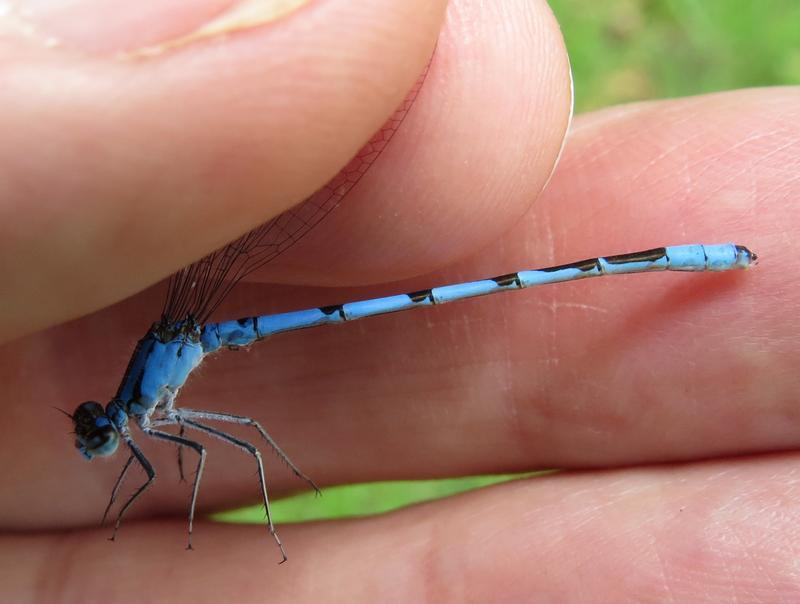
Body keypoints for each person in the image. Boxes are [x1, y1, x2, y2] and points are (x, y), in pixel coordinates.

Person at [0, 0, 796, 600]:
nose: (101, 439)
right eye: (99, 432)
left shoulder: (143, 408)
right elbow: (184, 453)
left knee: (231, 443)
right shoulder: (143, 408)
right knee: (231, 440)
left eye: (100, 432)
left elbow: (186, 458)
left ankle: (684, 254)